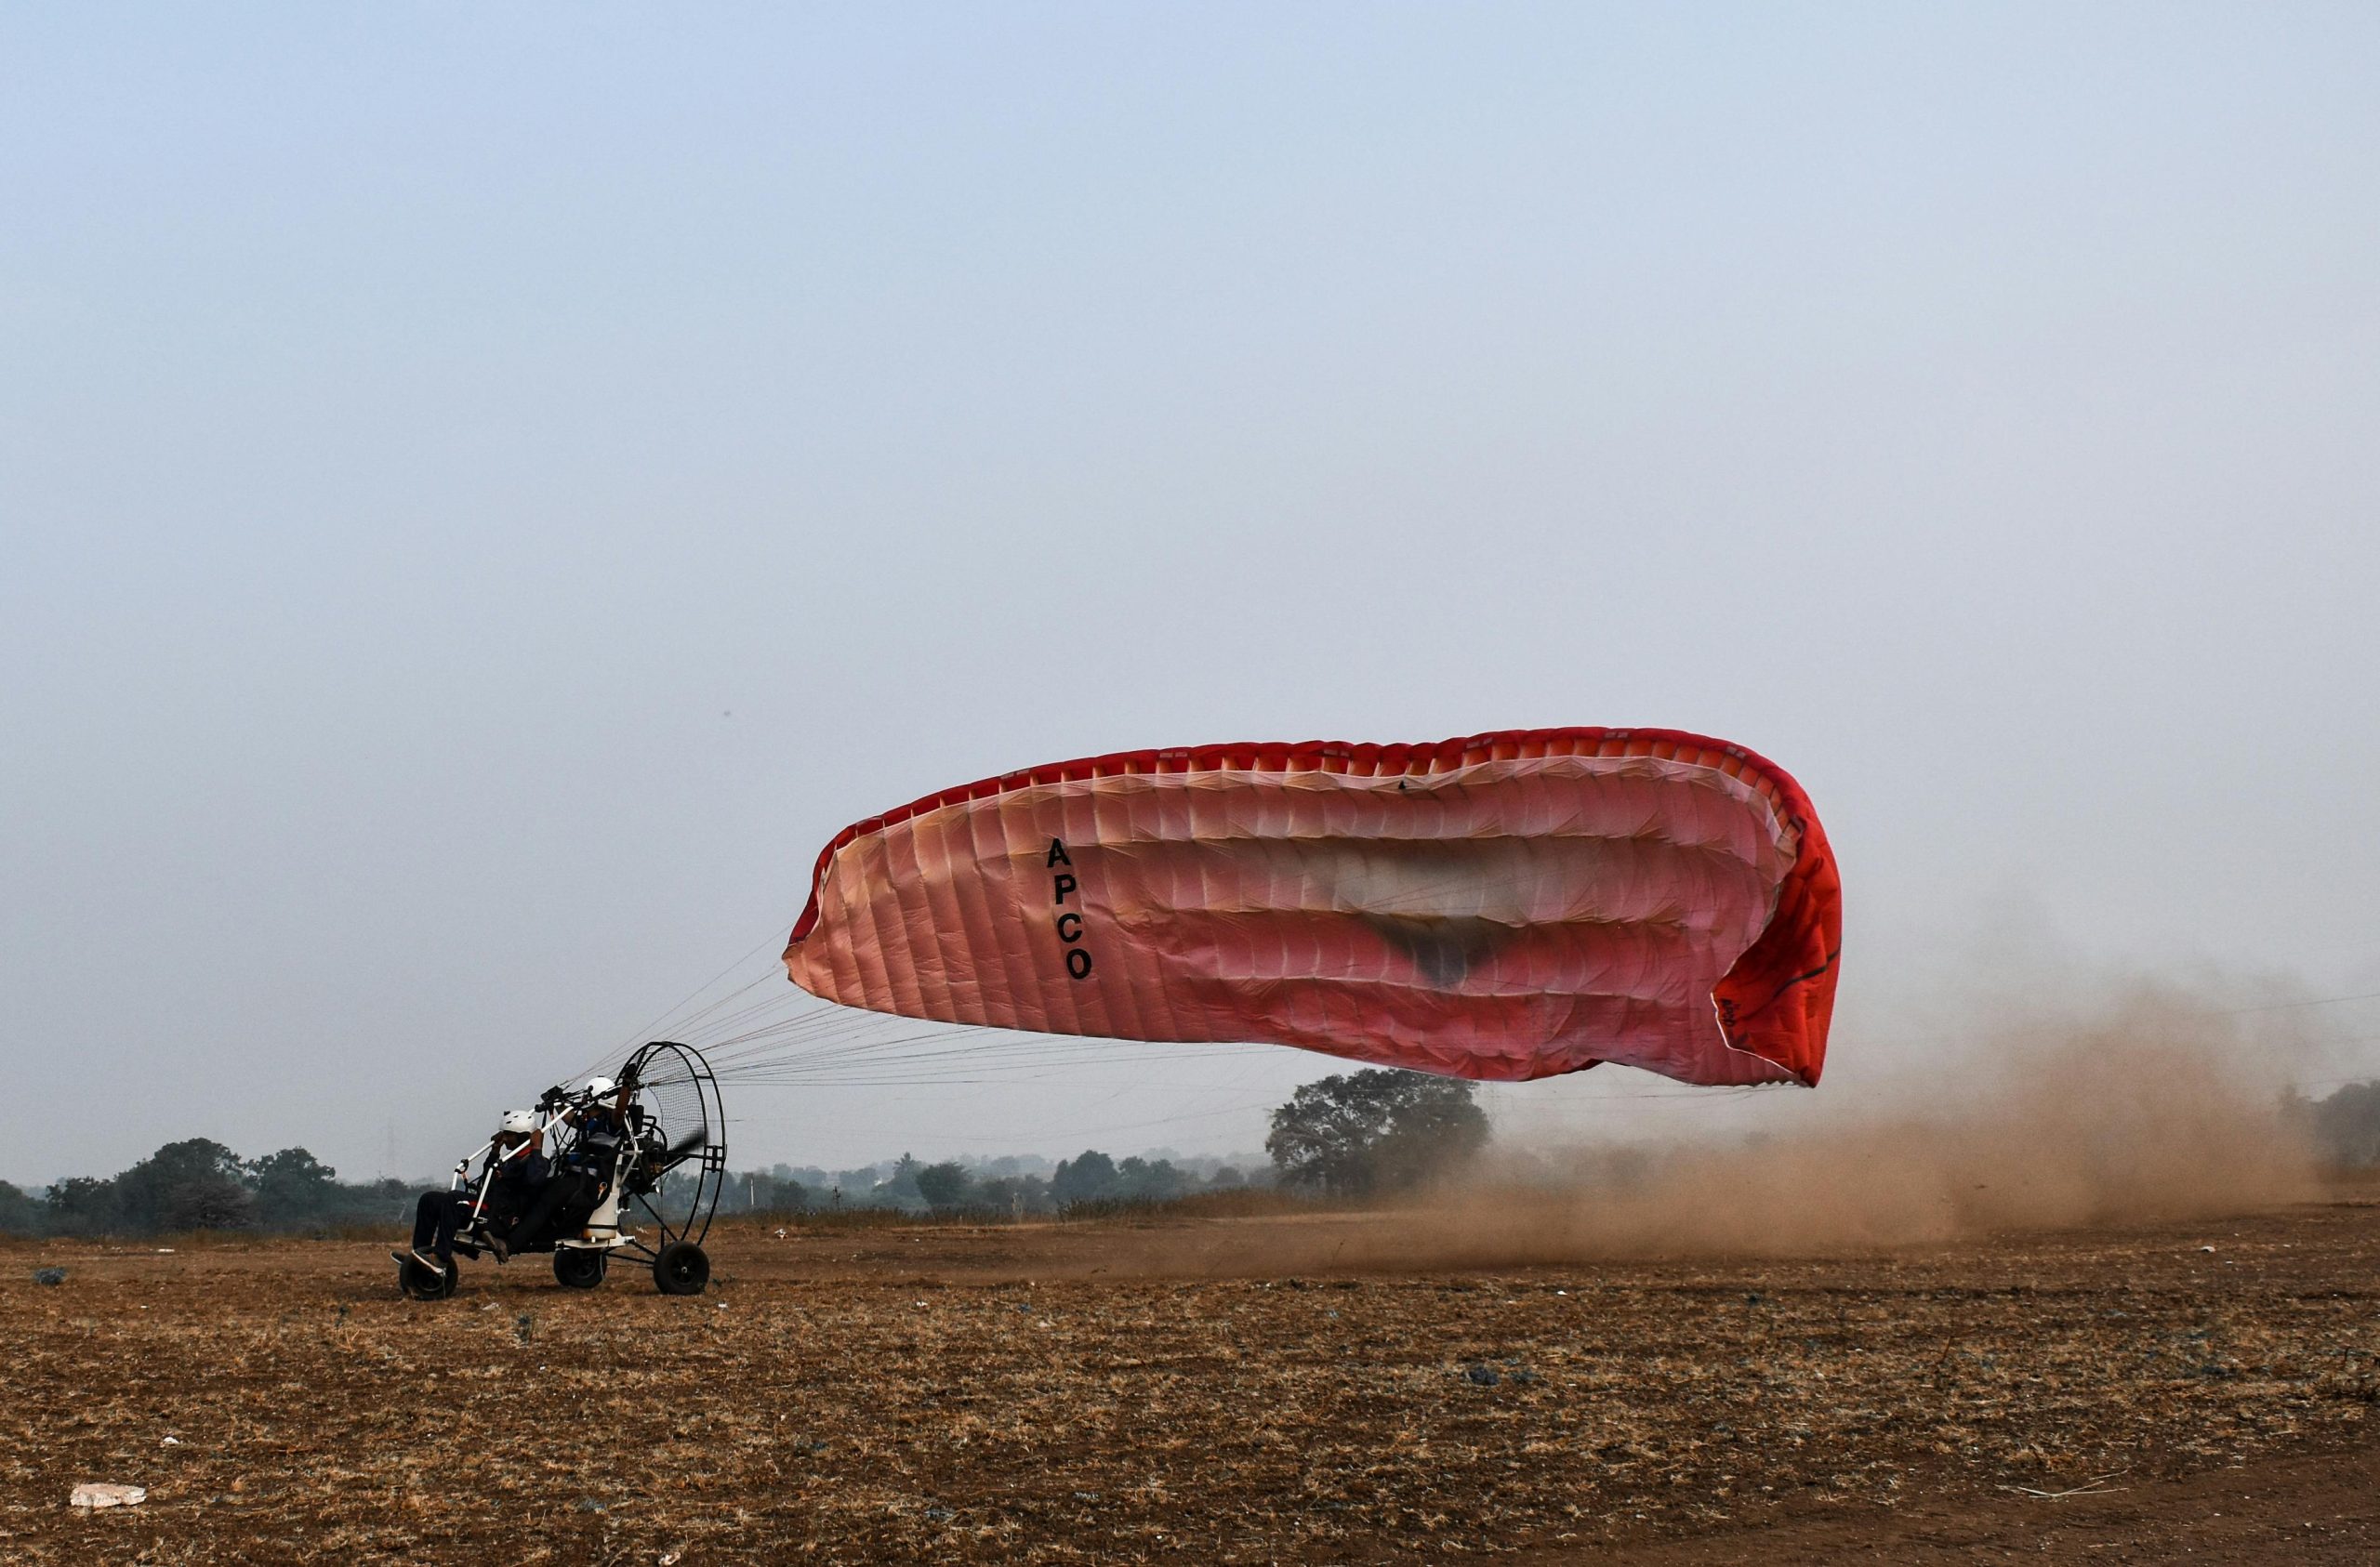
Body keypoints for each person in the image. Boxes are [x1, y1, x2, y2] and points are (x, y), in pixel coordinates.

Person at [399, 1110, 546, 1271]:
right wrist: (494, 1152)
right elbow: (487, 1181)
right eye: (504, 1134)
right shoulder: (509, 1160)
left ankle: (440, 1259)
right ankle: (420, 1253)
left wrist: (537, 1148)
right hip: (490, 1207)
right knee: (429, 1199)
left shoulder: (536, 1162)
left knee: (455, 1199)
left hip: (502, 1217)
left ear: (524, 1137)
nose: (505, 1138)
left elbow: (535, 1180)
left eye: (509, 1135)